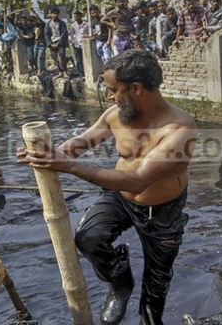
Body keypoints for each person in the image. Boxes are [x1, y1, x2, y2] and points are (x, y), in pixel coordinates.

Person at [17, 49, 196, 324]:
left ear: (136, 88)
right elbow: (80, 144)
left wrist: (68, 166)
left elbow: (139, 179)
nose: (110, 96)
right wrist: (47, 156)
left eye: (114, 89)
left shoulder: (180, 130)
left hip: (161, 211)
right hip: (120, 197)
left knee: (156, 287)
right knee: (88, 237)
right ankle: (120, 280)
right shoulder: (116, 114)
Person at [44, 7, 69, 79]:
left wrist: (59, 43)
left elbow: (64, 34)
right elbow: (46, 34)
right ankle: (60, 72)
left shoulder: (62, 23)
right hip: (52, 42)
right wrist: (50, 44)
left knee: (61, 57)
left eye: (56, 14)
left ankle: (65, 72)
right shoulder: (48, 24)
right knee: (55, 58)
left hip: (60, 42)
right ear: (50, 14)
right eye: (53, 14)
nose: (55, 15)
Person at [69, 10, 89, 76]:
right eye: (74, 16)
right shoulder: (73, 26)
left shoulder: (86, 25)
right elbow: (72, 36)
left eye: (77, 16)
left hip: (85, 44)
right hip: (77, 45)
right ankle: (81, 72)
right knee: (78, 59)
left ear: (80, 16)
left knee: (86, 59)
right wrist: (73, 43)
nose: (75, 18)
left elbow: (89, 33)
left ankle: (87, 71)